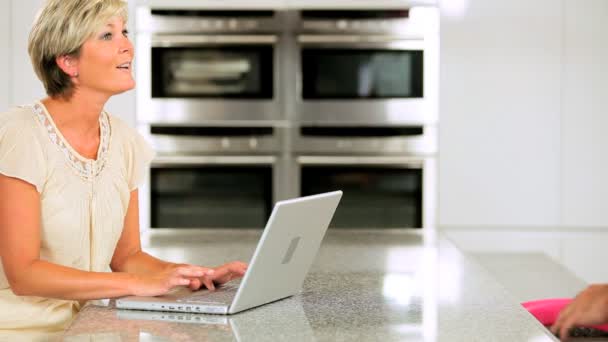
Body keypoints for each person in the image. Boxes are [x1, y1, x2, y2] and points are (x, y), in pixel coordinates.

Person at [0, 0, 247, 334]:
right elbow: (24, 275)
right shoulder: (20, 135)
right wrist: (135, 284)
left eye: (124, 32)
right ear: (68, 61)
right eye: (107, 35)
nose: (127, 44)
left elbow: (127, 256)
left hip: (89, 326)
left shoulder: (124, 141)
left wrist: (191, 275)